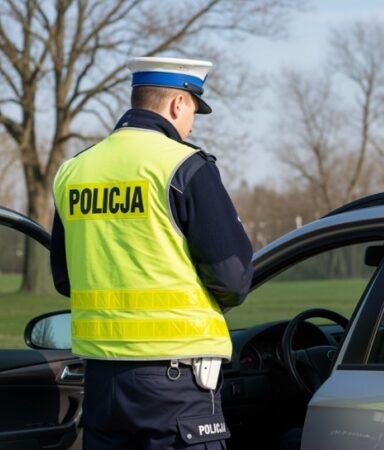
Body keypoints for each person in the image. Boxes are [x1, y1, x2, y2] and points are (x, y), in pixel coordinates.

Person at [49, 56, 253, 450]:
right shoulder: (184, 165)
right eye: (194, 110)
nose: (192, 124)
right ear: (178, 104)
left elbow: (65, 278)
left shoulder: (74, 171)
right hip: (175, 386)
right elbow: (233, 279)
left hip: (102, 385)